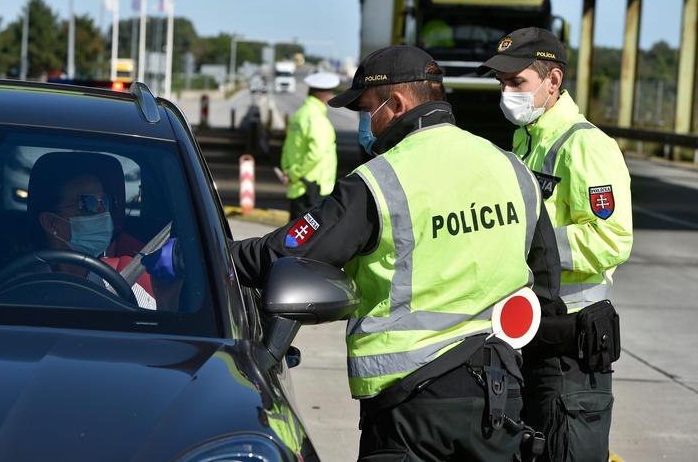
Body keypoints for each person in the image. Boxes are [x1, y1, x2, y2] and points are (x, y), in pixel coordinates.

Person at [233, 46, 562, 461]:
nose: (366, 124)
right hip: (500, 401)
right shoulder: (512, 168)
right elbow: (547, 284)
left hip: (410, 408)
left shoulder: (378, 181)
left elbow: (286, 251)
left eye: (368, 109)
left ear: (399, 103)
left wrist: (208, 254)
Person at [477, 27, 633, 462]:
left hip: (571, 347)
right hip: (528, 334)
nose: (506, 92)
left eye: (516, 82)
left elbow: (612, 239)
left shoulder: (586, 147)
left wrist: (529, 244)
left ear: (553, 81)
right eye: (501, 83)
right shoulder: (526, 140)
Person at [0, 152, 182, 311]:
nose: (101, 212)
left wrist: (167, 301)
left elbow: (159, 345)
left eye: (104, 202)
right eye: (86, 204)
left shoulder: (128, 290)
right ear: (51, 223)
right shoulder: (1, 289)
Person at [280, 72, 339, 219]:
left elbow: (288, 148)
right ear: (326, 95)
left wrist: (287, 171)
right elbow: (316, 153)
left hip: (298, 188)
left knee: (295, 237)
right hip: (312, 190)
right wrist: (295, 174)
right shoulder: (317, 119)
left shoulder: (299, 115)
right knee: (312, 240)